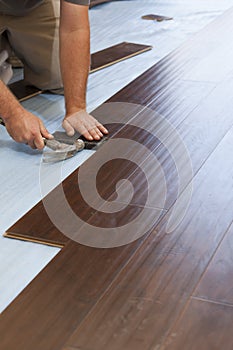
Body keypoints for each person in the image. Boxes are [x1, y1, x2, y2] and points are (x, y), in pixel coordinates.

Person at [0, 0, 108, 149]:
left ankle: (13, 47)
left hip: (32, 7)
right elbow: (10, 113)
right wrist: (12, 114)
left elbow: (74, 29)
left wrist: (76, 108)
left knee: (59, 78)